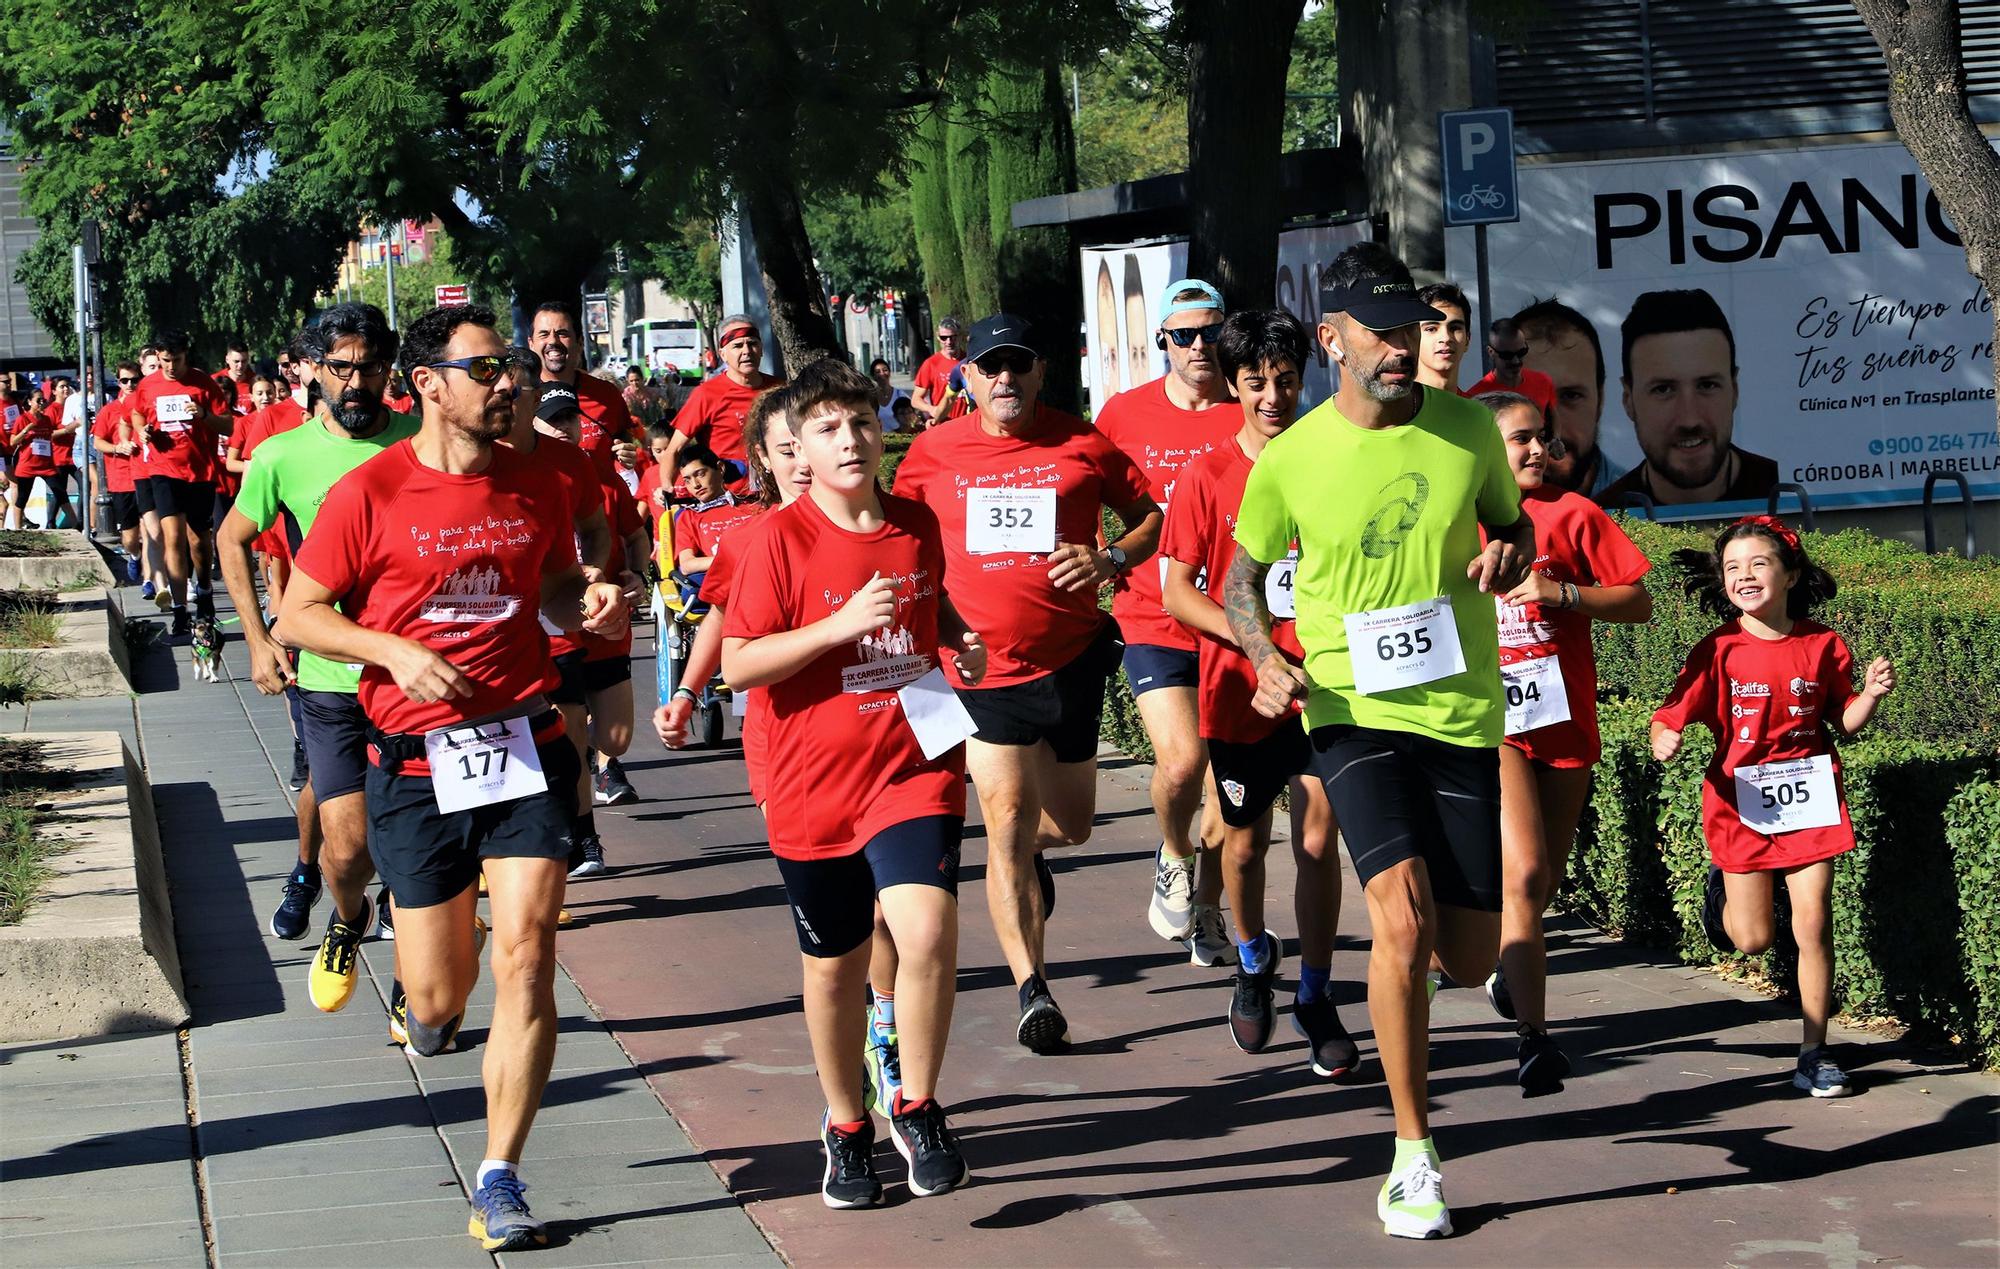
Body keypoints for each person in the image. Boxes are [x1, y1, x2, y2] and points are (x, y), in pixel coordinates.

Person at [280, 303, 629, 1251]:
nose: (508, 381)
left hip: (522, 744)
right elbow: (297, 617)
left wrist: (584, 602)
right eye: (487, 369)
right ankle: (415, 991)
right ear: (429, 385)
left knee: (528, 951)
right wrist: (389, 650)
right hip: (414, 765)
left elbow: (554, 582)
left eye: (511, 364)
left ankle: (500, 1173)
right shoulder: (370, 493)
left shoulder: (541, 481)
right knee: (439, 996)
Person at [1224, 242, 1532, 1240]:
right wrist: (1263, 658)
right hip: (1346, 707)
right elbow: (1239, 579)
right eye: (1381, 331)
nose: (1403, 346)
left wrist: (1503, 553)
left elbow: (1511, 530)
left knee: (1469, 956)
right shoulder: (1289, 457)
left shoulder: (1464, 433)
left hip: (1457, 711)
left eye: (1411, 329)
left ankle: (1424, 1027)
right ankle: (1410, 1154)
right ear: (1331, 340)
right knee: (1396, 919)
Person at [722, 357, 983, 1206]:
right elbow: (740, 664)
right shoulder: (772, 541)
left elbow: (928, 602)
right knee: (834, 967)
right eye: (828, 429)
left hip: (914, 761)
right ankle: (845, 1124)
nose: (850, 440)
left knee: (928, 930)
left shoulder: (915, 522)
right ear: (797, 443)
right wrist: (836, 626)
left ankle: (919, 1102)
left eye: (862, 423)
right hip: (813, 782)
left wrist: (960, 635)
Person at [893, 313, 1160, 1052]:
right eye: (990, 367)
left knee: (1068, 824)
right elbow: (898, 540)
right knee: (1005, 818)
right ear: (968, 377)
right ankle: (1032, 987)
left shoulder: (1081, 441)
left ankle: (1030, 854)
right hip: (981, 669)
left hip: (1071, 658)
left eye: (1018, 365)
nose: (1004, 379)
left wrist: (1109, 562)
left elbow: (1150, 518)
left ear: (1040, 371)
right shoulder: (931, 454)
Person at [1159, 309, 1356, 1077]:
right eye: (1255, 383)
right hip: (1241, 693)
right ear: (1233, 387)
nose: (1272, 395)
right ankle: (1250, 958)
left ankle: (1314, 989)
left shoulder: (1330, 462)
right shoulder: (1207, 477)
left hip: (1326, 687)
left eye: (1284, 380)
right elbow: (1177, 592)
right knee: (1242, 848)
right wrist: (1257, 647)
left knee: (1316, 839)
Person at [1651, 516, 1894, 1099]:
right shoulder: (1717, 650)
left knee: (1814, 923)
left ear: (1789, 574)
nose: (1745, 576)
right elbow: (1671, 711)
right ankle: (1722, 896)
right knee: (1753, 939)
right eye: (1733, 568)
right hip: (1741, 805)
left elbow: (1845, 721)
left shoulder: (1822, 644)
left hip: (1809, 796)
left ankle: (1815, 1051)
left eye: (1759, 563)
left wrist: (1869, 696)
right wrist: (1665, 734)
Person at [221, 304, 423, 968]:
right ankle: (349, 913)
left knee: (422, 843)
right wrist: (258, 639)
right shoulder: (282, 455)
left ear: (389, 369)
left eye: (370, 367)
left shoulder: (424, 439)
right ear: (316, 370)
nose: (357, 382)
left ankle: (416, 961)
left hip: (417, 676)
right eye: (341, 368)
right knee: (348, 847)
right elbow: (232, 538)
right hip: (333, 678)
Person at [1478, 391, 1653, 1094]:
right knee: (1522, 875)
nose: (1536, 450)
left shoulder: (1573, 513)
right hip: (1492, 726)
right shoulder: (1459, 521)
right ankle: (1535, 1040)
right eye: (1519, 439)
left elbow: (1638, 601)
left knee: (1542, 880)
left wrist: (1564, 594)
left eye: (1541, 437)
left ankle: (1500, 962)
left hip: (1564, 723)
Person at [1093, 278, 1238, 963]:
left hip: (1233, 622)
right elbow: (1081, 489)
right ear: (1163, 343)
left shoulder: (1250, 410)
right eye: (1185, 335)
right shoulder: (1122, 415)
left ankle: (1207, 905)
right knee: (1182, 764)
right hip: (1152, 616)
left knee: (1232, 789)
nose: (1199, 346)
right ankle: (1174, 852)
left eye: (1210, 331)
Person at [502, 377, 623, 873]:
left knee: (574, 728)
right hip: (495, 635)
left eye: (515, 390)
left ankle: (581, 833)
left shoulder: (568, 464)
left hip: (557, 615)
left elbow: (596, 532)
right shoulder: (473, 457)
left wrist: (595, 573)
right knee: (518, 744)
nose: (504, 400)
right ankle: (519, 852)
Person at [526, 378, 650, 816]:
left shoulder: (604, 480)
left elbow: (633, 537)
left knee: (615, 739)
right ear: (530, 423)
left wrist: (635, 574)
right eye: (551, 419)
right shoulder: (521, 479)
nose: (563, 427)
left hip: (606, 619)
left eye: (569, 418)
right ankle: (581, 833)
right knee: (568, 730)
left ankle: (590, 750)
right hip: (558, 624)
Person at [1597, 289, 1779, 511]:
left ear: (1734, 390)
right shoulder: (1604, 518)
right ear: (1628, 400)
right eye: (1663, 389)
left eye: (1707, 385)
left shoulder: (1783, 492)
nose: (1689, 420)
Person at [126, 330, 232, 637]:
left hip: (199, 470)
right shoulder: (148, 385)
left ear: (187, 356)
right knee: (171, 536)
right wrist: (142, 431)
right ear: (158, 357)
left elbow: (227, 424)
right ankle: (179, 608)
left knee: (198, 540)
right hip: (162, 468)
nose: (170, 367)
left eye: (176, 360)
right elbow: (136, 414)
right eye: (165, 361)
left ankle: (205, 588)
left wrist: (203, 415)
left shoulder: (203, 383)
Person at [1513, 298, 1625, 497]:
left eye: (1571, 396)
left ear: (1600, 399)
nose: (1554, 425)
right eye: (1530, 399)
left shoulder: (1636, 501)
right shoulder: (1476, 505)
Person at [665, 315, 782, 484]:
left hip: (777, 495)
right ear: (723, 354)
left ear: (762, 349)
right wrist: (667, 488)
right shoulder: (706, 394)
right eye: (737, 346)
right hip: (729, 499)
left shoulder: (779, 389)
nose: (746, 351)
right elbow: (674, 450)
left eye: (752, 343)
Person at [529, 301, 637, 477]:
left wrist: (627, 455)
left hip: (601, 501)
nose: (553, 341)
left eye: (562, 333)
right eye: (543, 334)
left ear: (579, 342)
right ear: (531, 343)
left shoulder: (606, 395)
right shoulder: (520, 397)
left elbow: (622, 439)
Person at [91, 364, 146, 581]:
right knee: (129, 538)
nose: (130, 385)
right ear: (118, 382)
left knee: (152, 529)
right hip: (122, 480)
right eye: (125, 381)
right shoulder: (109, 410)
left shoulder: (147, 405)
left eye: (134, 380)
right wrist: (117, 448)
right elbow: (97, 442)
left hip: (148, 475)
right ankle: (135, 555)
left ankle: (154, 577)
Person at [1464, 318, 1557, 421]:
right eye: (1507, 355)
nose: (1515, 361)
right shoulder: (1477, 397)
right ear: (1491, 352)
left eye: (1521, 352)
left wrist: (1555, 437)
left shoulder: (1543, 381)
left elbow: (1554, 415)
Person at [911, 316, 968, 426]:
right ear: (938, 337)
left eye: (953, 337)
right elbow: (915, 400)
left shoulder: (970, 361)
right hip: (943, 423)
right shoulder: (931, 364)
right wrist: (932, 409)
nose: (949, 342)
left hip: (967, 423)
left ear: (960, 337)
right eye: (944, 338)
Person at [1415, 283, 1471, 394]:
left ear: (1468, 340)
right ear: (1412, 338)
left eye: (1455, 328)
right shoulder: (1395, 409)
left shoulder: (1480, 410)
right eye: (1431, 329)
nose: (1445, 338)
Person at [869, 357, 910, 431]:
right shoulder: (870, 397)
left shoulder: (900, 395)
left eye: (885, 370)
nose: (882, 373)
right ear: (873, 376)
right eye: (878, 371)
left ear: (889, 373)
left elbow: (911, 415)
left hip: (898, 438)